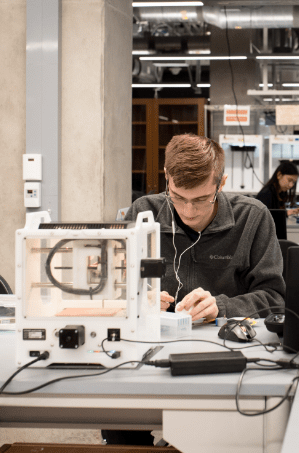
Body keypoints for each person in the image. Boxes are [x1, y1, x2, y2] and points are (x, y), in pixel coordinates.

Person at [108, 134, 287, 446]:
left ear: (221, 182)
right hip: (149, 360)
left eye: (201, 199)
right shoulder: (143, 213)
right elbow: (113, 290)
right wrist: (141, 300)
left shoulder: (252, 218)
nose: (188, 211)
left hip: (225, 364)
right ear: (167, 179)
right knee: (118, 416)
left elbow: (274, 299)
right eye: (178, 197)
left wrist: (222, 308)